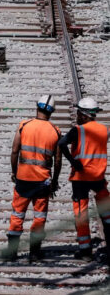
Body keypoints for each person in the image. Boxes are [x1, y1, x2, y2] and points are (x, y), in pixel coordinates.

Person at [1, 95, 61, 262]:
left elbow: (14, 151)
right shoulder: (55, 131)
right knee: (39, 216)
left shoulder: (24, 125)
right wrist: (54, 181)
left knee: (17, 214)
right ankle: (34, 252)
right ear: (52, 112)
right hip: (43, 181)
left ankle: (12, 252)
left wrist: (15, 172)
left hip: (23, 179)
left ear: (37, 107)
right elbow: (58, 160)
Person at [57, 97, 109, 263]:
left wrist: (73, 162)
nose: (77, 115)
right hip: (98, 177)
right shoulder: (104, 130)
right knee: (107, 214)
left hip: (81, 178)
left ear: (84, 114)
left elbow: (61, 144)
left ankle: (85, 250)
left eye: (78, 112)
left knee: (81, 213)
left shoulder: (77, 130)